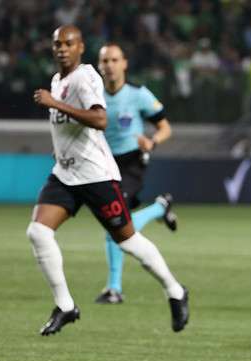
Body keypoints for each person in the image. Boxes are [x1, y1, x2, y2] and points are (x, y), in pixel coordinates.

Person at [28, 26, 189, 336]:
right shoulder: (57, 81)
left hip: (97, 175)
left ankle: (175, 290)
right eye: (57, 43)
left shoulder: (85, 77)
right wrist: (59, 146)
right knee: (37, 231)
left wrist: (54, 103)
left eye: (69, 43)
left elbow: (99, 119)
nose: (62, 48)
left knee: (127, 240)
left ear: (80, 47)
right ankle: (65, 306)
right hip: (65, 173)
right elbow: (67, 126)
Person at [95, 42, 177, 304]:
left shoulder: (138, 95)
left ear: (124, 64)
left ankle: (114, 289)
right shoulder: (92, 95)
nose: (109, 65)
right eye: (105, 61)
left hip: (132, 163)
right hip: (103, 164)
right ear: (99, 66)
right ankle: (159, 208)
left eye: (114, 60)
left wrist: (152, 142)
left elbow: (165, 127)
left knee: (115, 224)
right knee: (119, 223)